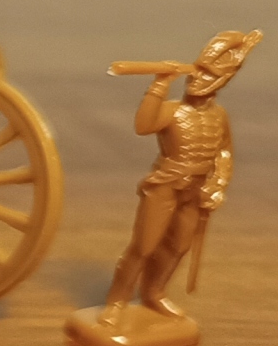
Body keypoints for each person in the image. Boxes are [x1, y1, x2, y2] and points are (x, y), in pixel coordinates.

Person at [99, 31, 259, 325]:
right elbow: (143, 125)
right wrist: (160, 84)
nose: (196, 79)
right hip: (165, 186)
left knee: (179, 246)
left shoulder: (220, 116)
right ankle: (117, 300)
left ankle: (154, 292)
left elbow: (224, 152)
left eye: (207, 76)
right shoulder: (172, 111)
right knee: (144, 246)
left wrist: (218, 185)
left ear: (222, 81)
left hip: (195, 191)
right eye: (197, 72)